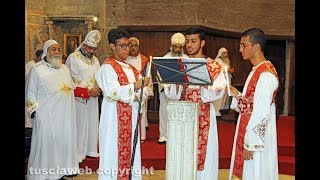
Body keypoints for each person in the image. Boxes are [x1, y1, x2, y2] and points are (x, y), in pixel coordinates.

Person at [164, 27, 226, 180]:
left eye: (193, 41)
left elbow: (219, 90)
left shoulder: (213, 65)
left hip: (203, 115)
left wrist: (205, 84)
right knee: (181, 154)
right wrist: (176, 84)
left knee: (203, 156)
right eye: (187, 41)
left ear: (202, 43)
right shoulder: (178, 64)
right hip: (182, 118)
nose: (189, 45)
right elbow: (170, 93)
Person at [95, 28, 151, 180]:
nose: (127, 49)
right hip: (114, 120)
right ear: (112, 46)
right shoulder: (107, 67)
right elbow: (112, 92)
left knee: (131, 154)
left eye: (128, 45)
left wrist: (141, 93)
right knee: (113, 153)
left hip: (130, 121)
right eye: (123, 46)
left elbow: (145, 91)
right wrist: (135, 87)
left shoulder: (132, 69)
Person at [228, 28, 279, 180]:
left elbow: (261, 111)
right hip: (248, 131)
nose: (240, 49)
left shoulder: (266, 74)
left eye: (244, 45)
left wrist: (251, 144)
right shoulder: (256, 70)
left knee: (255, 172)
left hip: (257, 140)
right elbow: (250, 104)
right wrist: (236, 94)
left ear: (256, 46)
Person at [26, 39, 78, 180]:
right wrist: (34, 112)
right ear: (46, 51)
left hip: (65, 115)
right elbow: (30, 91)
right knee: (47, 143)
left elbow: (72, 87)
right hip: (45, 115)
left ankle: (60, 172)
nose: (56, 52)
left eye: (58, 49)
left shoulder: (65, 68)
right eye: (53, 49)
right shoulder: (37, 69)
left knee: (63, 141)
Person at [65, 30, 102, 163]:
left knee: (92, 122)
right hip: (79, 97)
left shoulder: (96, 60)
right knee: (80, 124)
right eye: (90, 48)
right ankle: (78, 152)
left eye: (94, 49)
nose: (92, 51)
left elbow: (99, 76)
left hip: (93, 97)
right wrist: (88, 90)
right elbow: (72, 78)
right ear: (84, 45)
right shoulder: (73, 57)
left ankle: (91, 149)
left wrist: (98, 88)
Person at [157, 32, 189, 144]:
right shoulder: (165, 58)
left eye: (180, 47)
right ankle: (164, 135)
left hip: (181, 91)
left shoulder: (186, 58)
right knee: (165, 112)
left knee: (181, 113)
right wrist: (166, 86)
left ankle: (180, 134)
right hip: (167, 89)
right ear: (171, 46)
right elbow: (159, 74)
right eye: (176, 46)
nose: (177, 49)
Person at [126, 36, 154, 143]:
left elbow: (148, 75)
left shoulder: (144, 60)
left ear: (139, 47)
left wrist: (150, 90)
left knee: (142, 113)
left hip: (142, 89)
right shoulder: (125, 59)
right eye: (130, 45)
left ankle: (141, 136)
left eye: (135, 45)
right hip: (129, 89)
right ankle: (131, 134)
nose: (133, 48)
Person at [213, 47, 235, 119]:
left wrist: (230, 70)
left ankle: (222, 109)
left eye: (226, 53)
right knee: (220, 96)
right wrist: (228, 70)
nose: (226, 54)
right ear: (220, 53)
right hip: (220, 82)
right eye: (224, 53)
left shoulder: (226, 61)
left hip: (226, 81)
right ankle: (216, 111)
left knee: (225, 95)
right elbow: (216, 69)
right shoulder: (218, 60)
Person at [25, 49, 43, 128]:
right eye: (40, 58)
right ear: (36, 57)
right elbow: (27, 77)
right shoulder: (30, 64)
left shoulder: (42, 65)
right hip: (30, 88)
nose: (42, 60)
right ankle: (29, 127)